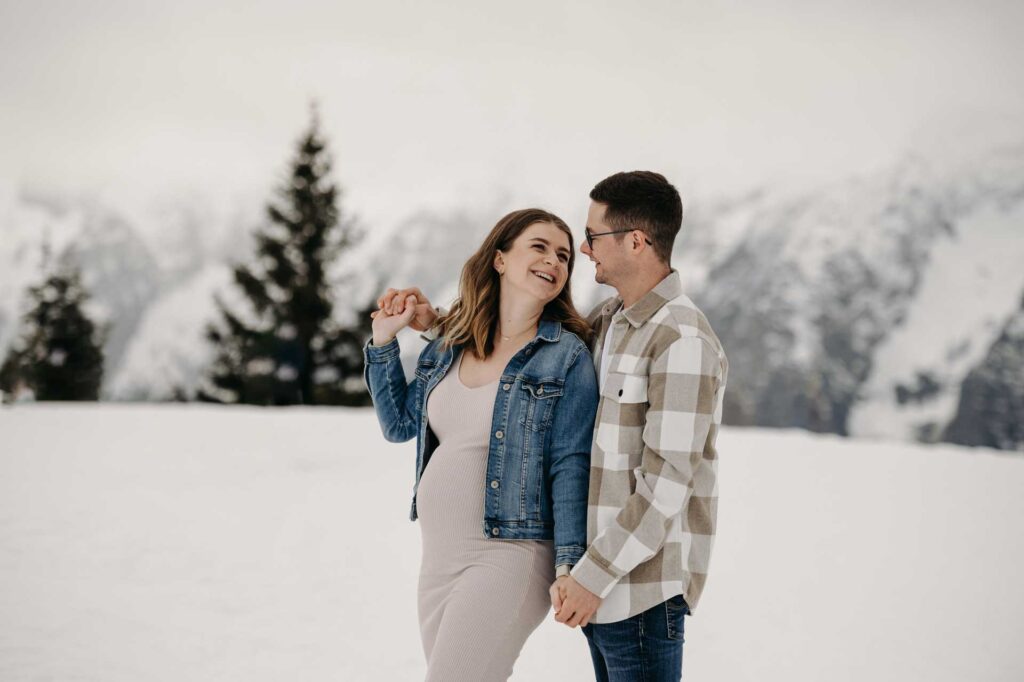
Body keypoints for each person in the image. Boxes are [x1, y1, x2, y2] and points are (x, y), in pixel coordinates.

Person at [380, 171, 728, 681]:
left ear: (635, 241)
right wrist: (436, 325)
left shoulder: (681, 340)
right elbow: (514, 353)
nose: (583, 252)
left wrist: (585, 573)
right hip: (595, 583)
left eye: (590, 238)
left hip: (639, 587)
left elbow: (665, 485)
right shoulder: (611, 322)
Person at [363, 208, 598, 682]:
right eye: (539, 247)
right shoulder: (449, 343)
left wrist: (569, 564)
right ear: (499, 259)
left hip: (511, 554)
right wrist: (384, 340)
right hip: (439, 558)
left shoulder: (566, 356)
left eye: (563, 256)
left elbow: (570, 463)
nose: (553, 261)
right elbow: (400, 424)